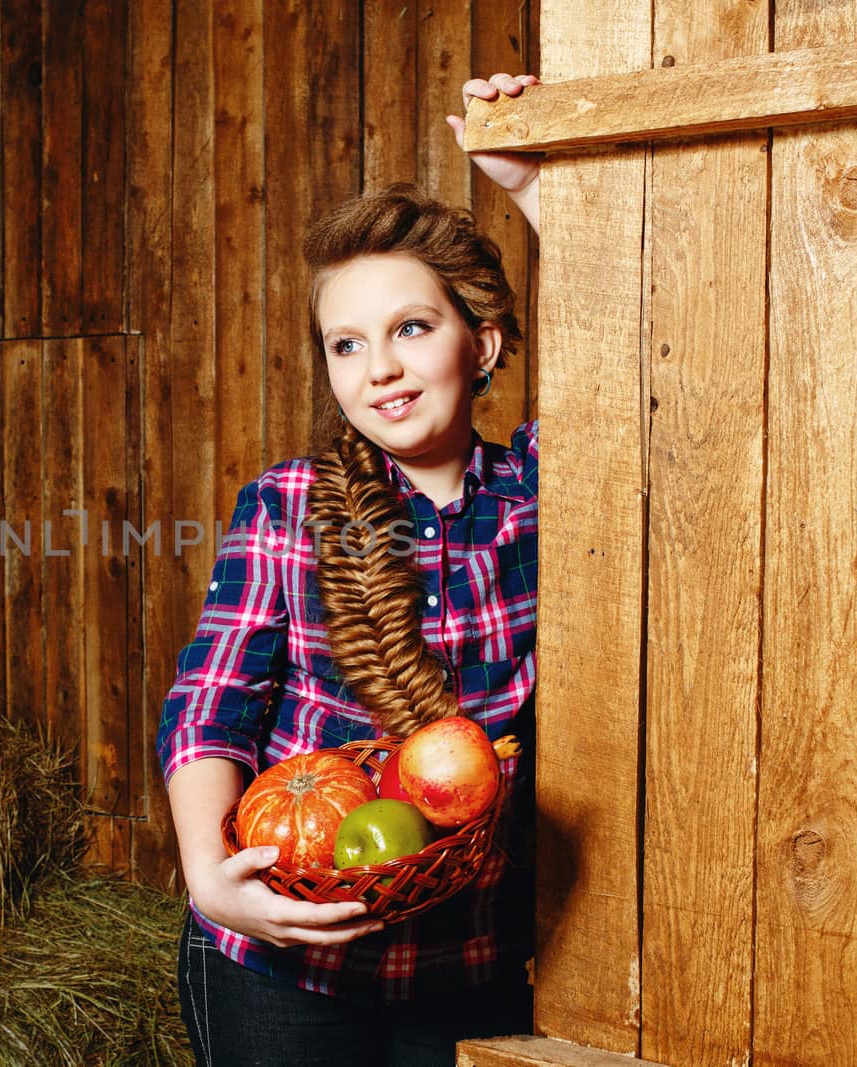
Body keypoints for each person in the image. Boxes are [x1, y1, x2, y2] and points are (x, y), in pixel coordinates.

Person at [155, 74, 543, 1066]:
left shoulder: (547, 490)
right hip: (283, 962)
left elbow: (651, 353)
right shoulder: (288, 503)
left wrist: (539, 189)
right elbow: (212, 697)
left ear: (482, 342)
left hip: (469, 960)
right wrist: (209, 874)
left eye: (412, 327)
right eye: (346, 343)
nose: (379, 367)